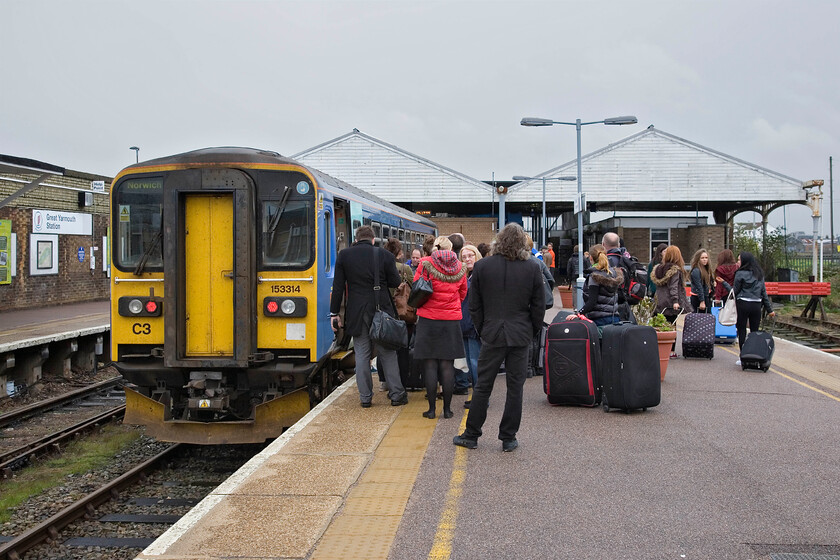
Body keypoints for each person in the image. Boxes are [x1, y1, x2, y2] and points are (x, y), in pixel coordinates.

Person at [453, 223, 545, 453]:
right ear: (522, 243)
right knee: (516, 387)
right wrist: (530, 329)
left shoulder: (483, 266)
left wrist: (483, 328)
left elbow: (474, 305)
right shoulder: (532, 268)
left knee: (483, 386)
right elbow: (539, 307)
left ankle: (472, 435)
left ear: (498, 241)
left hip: (492, 333)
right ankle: (508, 437)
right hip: (520, 334)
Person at [330, 225, 408, 408]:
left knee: (362, 355)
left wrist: (334, 313)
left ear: (356, 239)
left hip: (357, 311)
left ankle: (365, 398)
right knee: (387, 353)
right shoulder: (385, 255)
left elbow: (338, 287)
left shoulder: (344, 256)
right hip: (381, 309)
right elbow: (395, 283)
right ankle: (397, 395)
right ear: (373, 239)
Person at [414, 236, 468, 419]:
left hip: (428, 320)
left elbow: (416, 285)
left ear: (435, 246)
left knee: (430, 365)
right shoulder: (460, 267)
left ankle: (431, 410)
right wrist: (451, 306)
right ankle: (447, 409)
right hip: (451, 321)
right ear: (451, 248)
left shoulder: (425, 263)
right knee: (447, 366)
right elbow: (463, 293)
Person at [716, 251, 776, 360]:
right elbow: (764, 293)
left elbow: (734, 293)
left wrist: (724, 283)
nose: (737, 262)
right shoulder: (759, 273)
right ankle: (754, 355)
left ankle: (742, 356)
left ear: (744, 261)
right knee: (755, 332)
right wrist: (770, 310)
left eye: (739, 260)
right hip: (756, 305)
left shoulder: (740, 273)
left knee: (741, 329)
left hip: (743, 304)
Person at [564, 244, 623, 334]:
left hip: (599, 319)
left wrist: (578, 314)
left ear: (590, 258)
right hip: (614, 318)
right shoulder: (614, 274)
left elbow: (592, 301)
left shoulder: (594, 276)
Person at [458, 244, 482, 403]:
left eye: (470, 255)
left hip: (474, 325)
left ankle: (480, 398)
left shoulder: (479, 276)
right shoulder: (466, 276)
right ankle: (478, 396)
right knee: (470, 362)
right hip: (465, 324)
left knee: (475, 362)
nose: (467, 259)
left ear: (476, 256)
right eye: (464, 257)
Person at [602, 232, 635, 322]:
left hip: (606, 307)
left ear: (603, 244)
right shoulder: (628, 260)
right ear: (619, 245)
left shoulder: (603, 263)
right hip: (625, 304)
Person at [652, 245, 692, 316]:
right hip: (673, 304)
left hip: (660, 302)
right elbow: (674, 286)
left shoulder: (658, 269)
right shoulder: (674, 270)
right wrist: (675, 301)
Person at [689, 248, 714, 313]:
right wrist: (702, 301)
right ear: (698, 259)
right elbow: (699, 286)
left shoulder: (707, 270)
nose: (705, 260)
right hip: (698, 298)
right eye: (702, 258)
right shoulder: (696, 271)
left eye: (706, 258)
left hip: (705, 296)